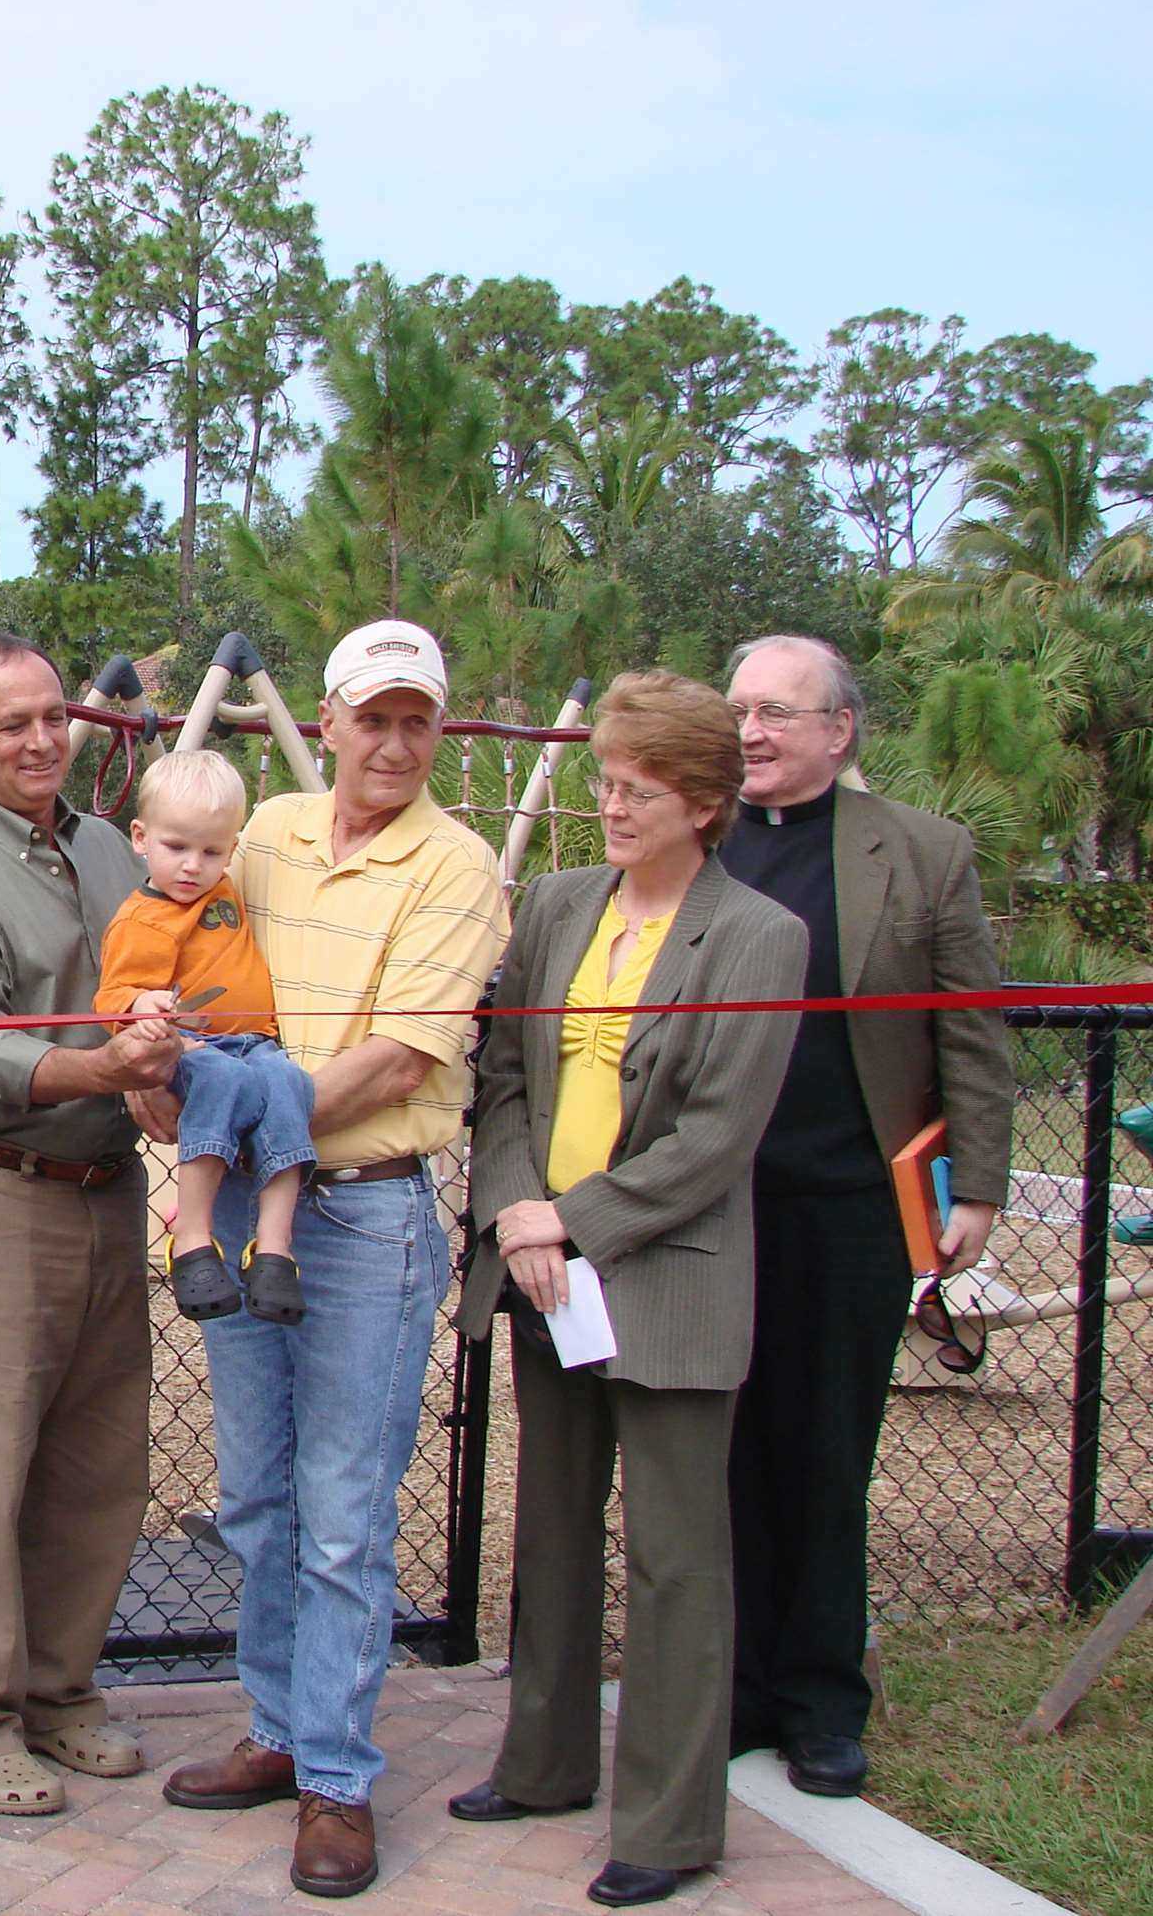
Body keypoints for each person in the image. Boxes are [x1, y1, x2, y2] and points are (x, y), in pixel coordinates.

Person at [159, 617, 509, 1900]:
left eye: (418, 719)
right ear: (329, 718)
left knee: (346, 1517)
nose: (395, 742)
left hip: (359, 1214)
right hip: (248, 1201)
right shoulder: (264, 838)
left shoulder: (458, 867)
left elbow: (397, 1061)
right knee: (255, 1499)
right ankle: (274, 1729)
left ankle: (337, 1781)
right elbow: (190, 962)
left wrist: (228, 1113)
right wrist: (163, 1065)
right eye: (374, 717)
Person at [451, 671, 806, 1910]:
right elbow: (496, 1072)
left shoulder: (760, 938)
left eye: (635, 791)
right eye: (601, 782)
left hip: (667, 1281)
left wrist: (574, 1218)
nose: (607, 806)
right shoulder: (553, 905)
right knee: (548, 1532)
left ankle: (667, 1821)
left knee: (672, 1562)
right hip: (543, 1274)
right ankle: (541, 1765)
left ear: (704, 804)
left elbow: (714, 1138)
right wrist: (513, 1209)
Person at [0, 633, 183, 1817]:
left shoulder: (108, 849)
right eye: (9, 723)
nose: (40, 739)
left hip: (104, 1191)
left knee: (96, 1468)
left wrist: (171, 1071)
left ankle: (62, 1697)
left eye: (52, 716)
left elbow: (168, 979)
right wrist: (109, 1065)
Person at [719, 635, 1013, 1797]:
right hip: (708, 1203)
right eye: (739, 710)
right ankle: (730, 1689)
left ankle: (819, 1704)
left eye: (776, 713)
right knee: (720, 1455)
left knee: (825, 1455)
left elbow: (969, 1029)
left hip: (849, 1206)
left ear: (839, 730)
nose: (750, 732)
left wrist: (977, 1187)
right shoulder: (698, 841)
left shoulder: (925, 854)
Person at [95, 748, 315, 1324]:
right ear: (141, 838)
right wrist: (143, 1004)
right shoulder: (141, 919)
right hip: (196, 1048)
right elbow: (111, 996)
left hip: (257, 1043)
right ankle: (192, 1236)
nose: (193, 865)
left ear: (231, 851)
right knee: (222, 1080)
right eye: (177, 848)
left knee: (290, 1084)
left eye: (212, 851)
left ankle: (273, 1246)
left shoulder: (221, 890)